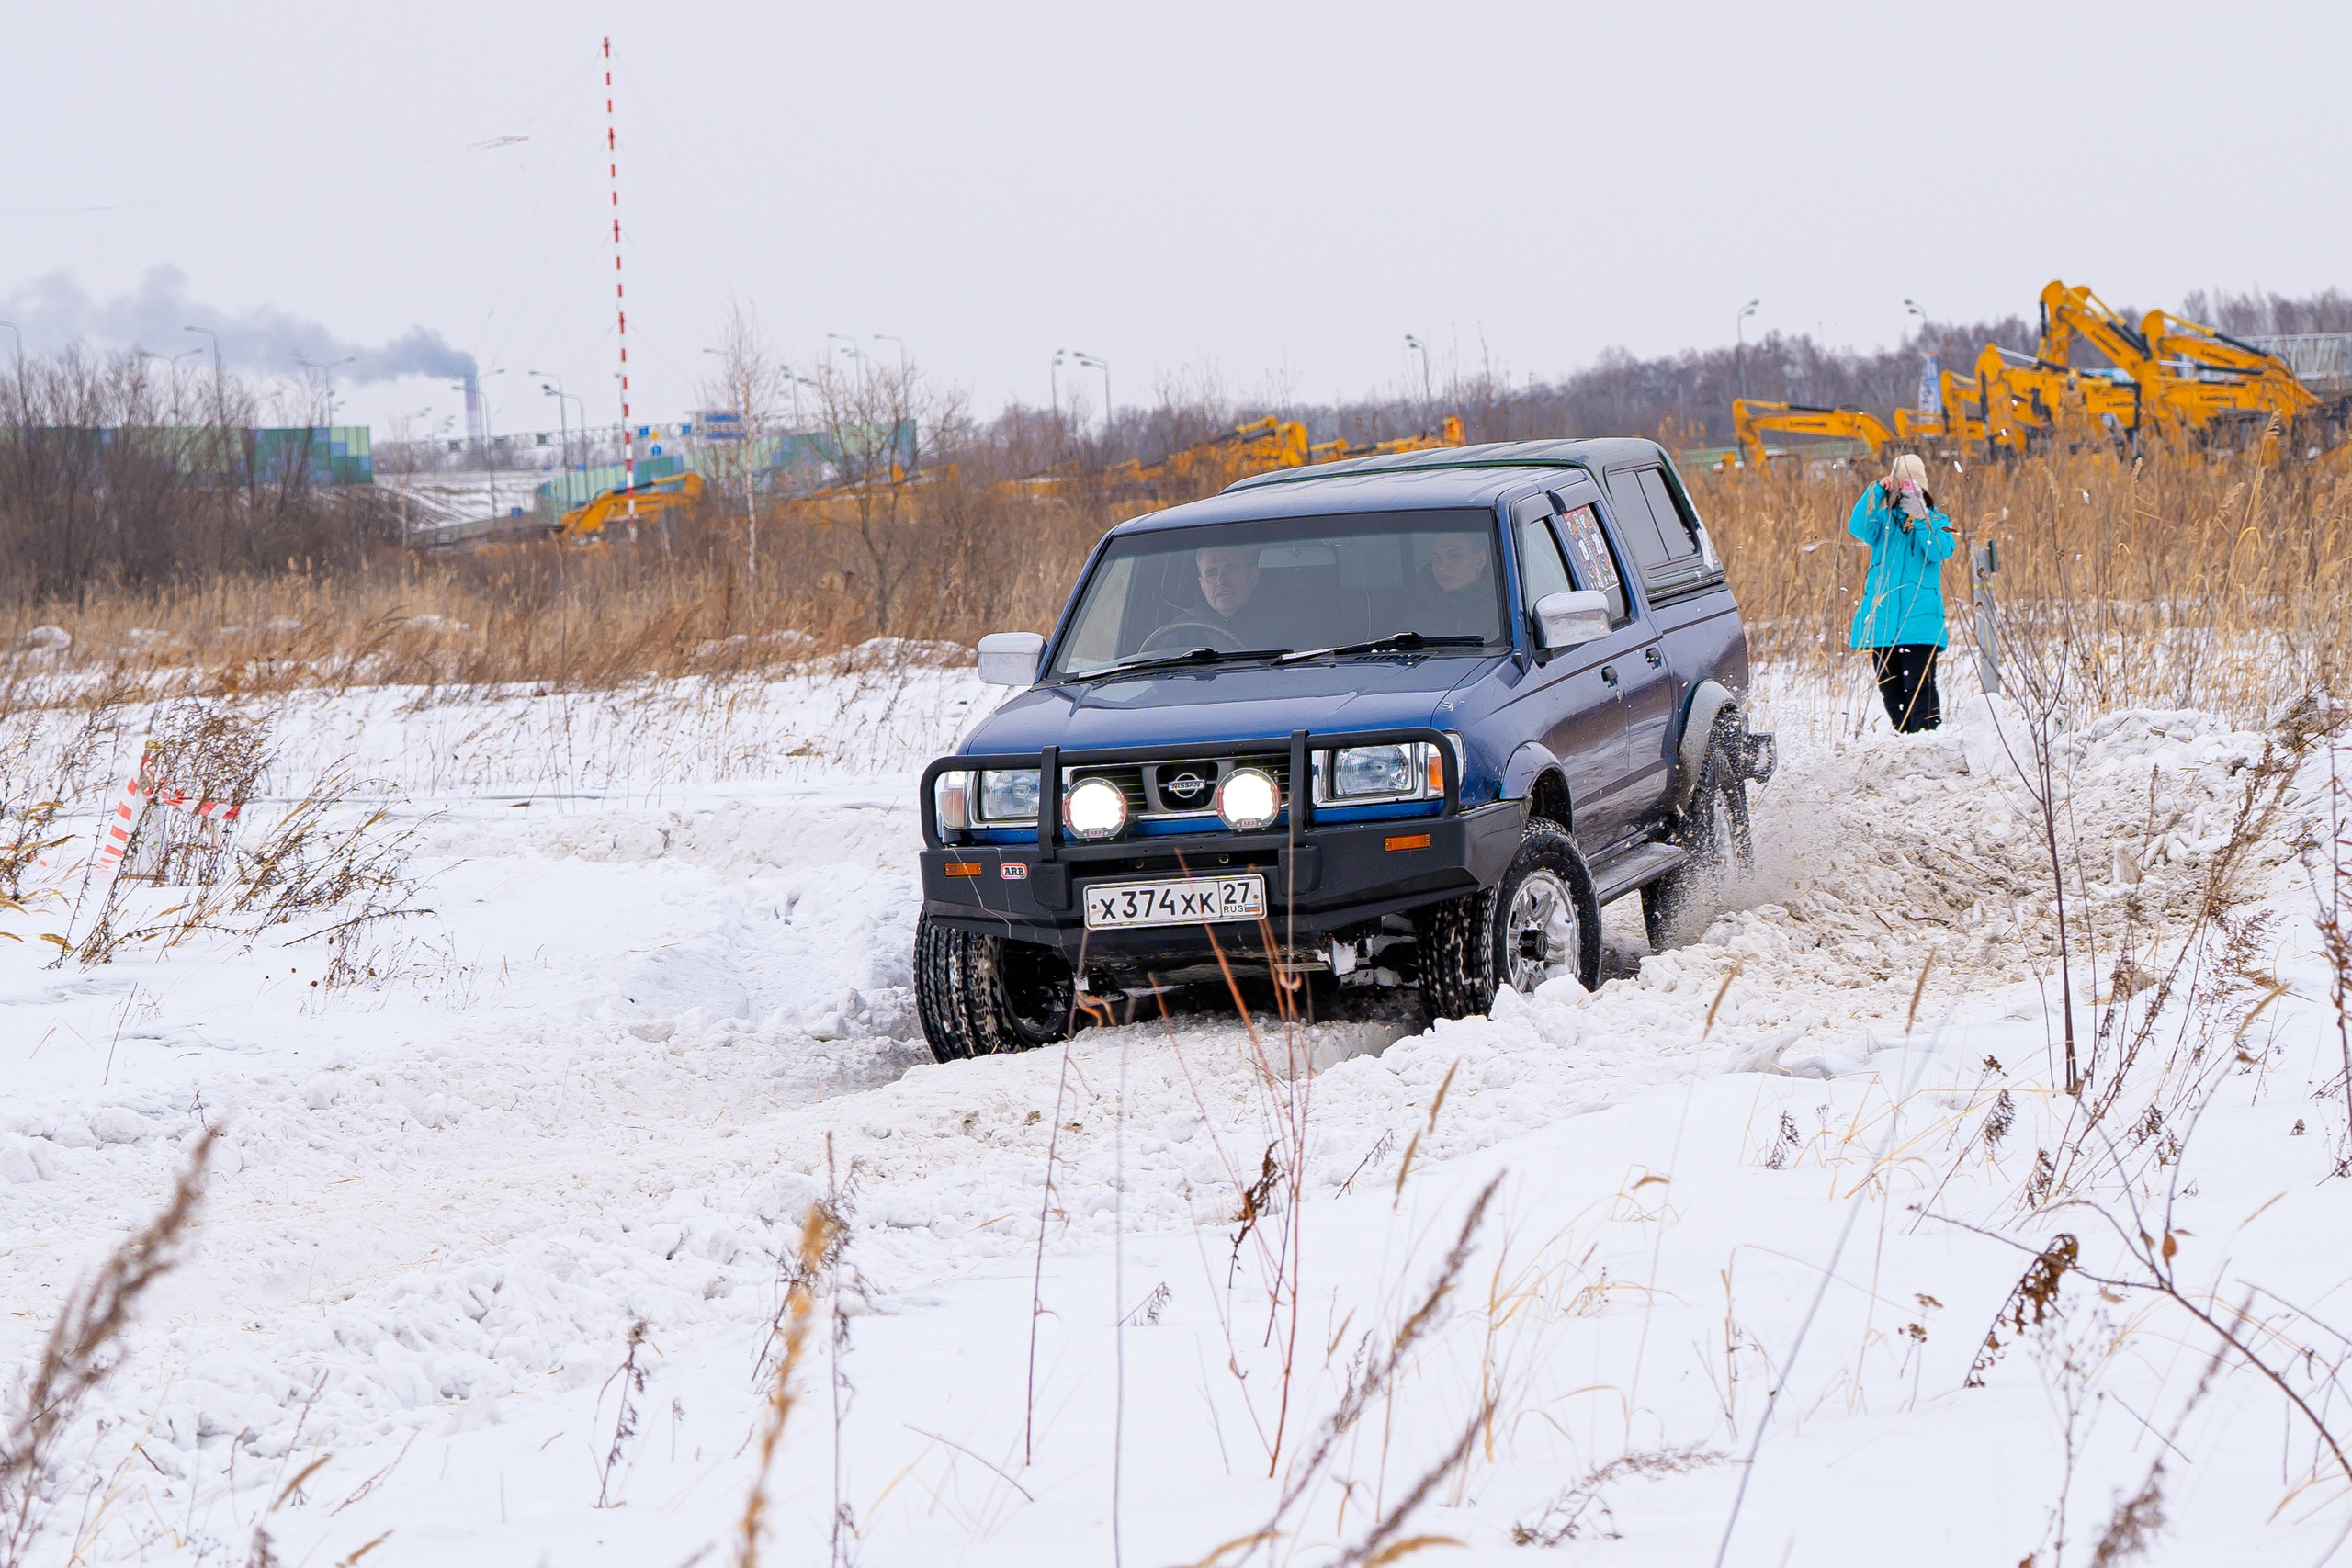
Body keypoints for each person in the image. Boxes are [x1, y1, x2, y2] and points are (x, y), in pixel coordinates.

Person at [1849, 452, 1954, 732]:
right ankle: (1906, 739)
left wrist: (1920, 516)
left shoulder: (1937, 519)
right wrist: (1876, 491)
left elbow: (1939, 550)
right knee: (1890, 691)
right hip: (1882, 622)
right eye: (1902, 485)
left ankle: (1926, 740)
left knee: (1920, 689)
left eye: (1912, 486)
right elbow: (1857, 526)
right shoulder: (1882, 523)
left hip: (1919, 624)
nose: (1905, 491)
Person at [1193, 543, 1281, 646]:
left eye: (1231, 569)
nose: (1221, 581)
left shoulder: (1285, 623)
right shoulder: (1181, 630)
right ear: (1202, 585)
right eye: (1211, 573)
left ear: (1253, 576)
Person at [1417, 531, 1497, 637]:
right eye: (1436, 558)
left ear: (1480, 560)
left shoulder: (1503, 616)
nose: (1442, 567)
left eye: (1454, 556)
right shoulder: (1415, 619)